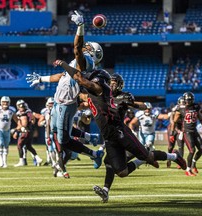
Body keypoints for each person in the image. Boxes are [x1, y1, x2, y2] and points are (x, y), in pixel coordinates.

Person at [53, 59, 186, 203]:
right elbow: (82, 91)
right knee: (121, 171)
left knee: (146, 156)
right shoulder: (93, 94)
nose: (112, 85)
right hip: (109, 136)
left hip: (120, 132)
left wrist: (145, 106)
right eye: (111, 82)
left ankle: (174, 157)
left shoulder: (108, 93)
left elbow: (136, 104)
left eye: (114, 83)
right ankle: (138, 164)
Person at [26, 10, 104, 178]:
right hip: (58, 102)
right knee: (56, 131)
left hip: (66, 104)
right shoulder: (77, 62)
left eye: (89, 46)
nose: (86, 46)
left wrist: (80, 27)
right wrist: (42, 79)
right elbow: (61, 76)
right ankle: (91, 139)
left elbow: (76, 48)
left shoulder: (86, 62)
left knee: (63, 140)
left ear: (93, 53)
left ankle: (94, 153)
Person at [171, 92, 202, 176]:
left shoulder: (196, 106)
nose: (188, 102)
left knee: (201, 149)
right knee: (192, 150)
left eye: (190, 100)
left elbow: (200, 117)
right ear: (184, 100)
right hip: (186, 132)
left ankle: (193, 164)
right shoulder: (180, 108)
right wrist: (172, 133)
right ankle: (188, 170)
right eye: (187, 100)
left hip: (194, 131)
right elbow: (174, 121)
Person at [11, 99, 43, 167]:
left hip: (25, 131)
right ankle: (38, 158)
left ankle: (21, 161)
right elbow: (32, 120)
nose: (21, 107)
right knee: (28, 146)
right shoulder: (28, 112)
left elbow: (25, 121)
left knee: (19, 145)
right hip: (29, 131)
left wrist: (22, 128)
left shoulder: (24, 113)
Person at [166, 96, 185, 168]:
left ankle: (180, 162)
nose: (183, 104)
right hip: (172, 129)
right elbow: (172, 122)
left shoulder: (186, 109)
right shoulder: (175, 109)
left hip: (180, 129)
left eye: (184, 102)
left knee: (181, 146)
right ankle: (169, 160)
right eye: (182, 103)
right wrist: (175, 131)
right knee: (170, 147)